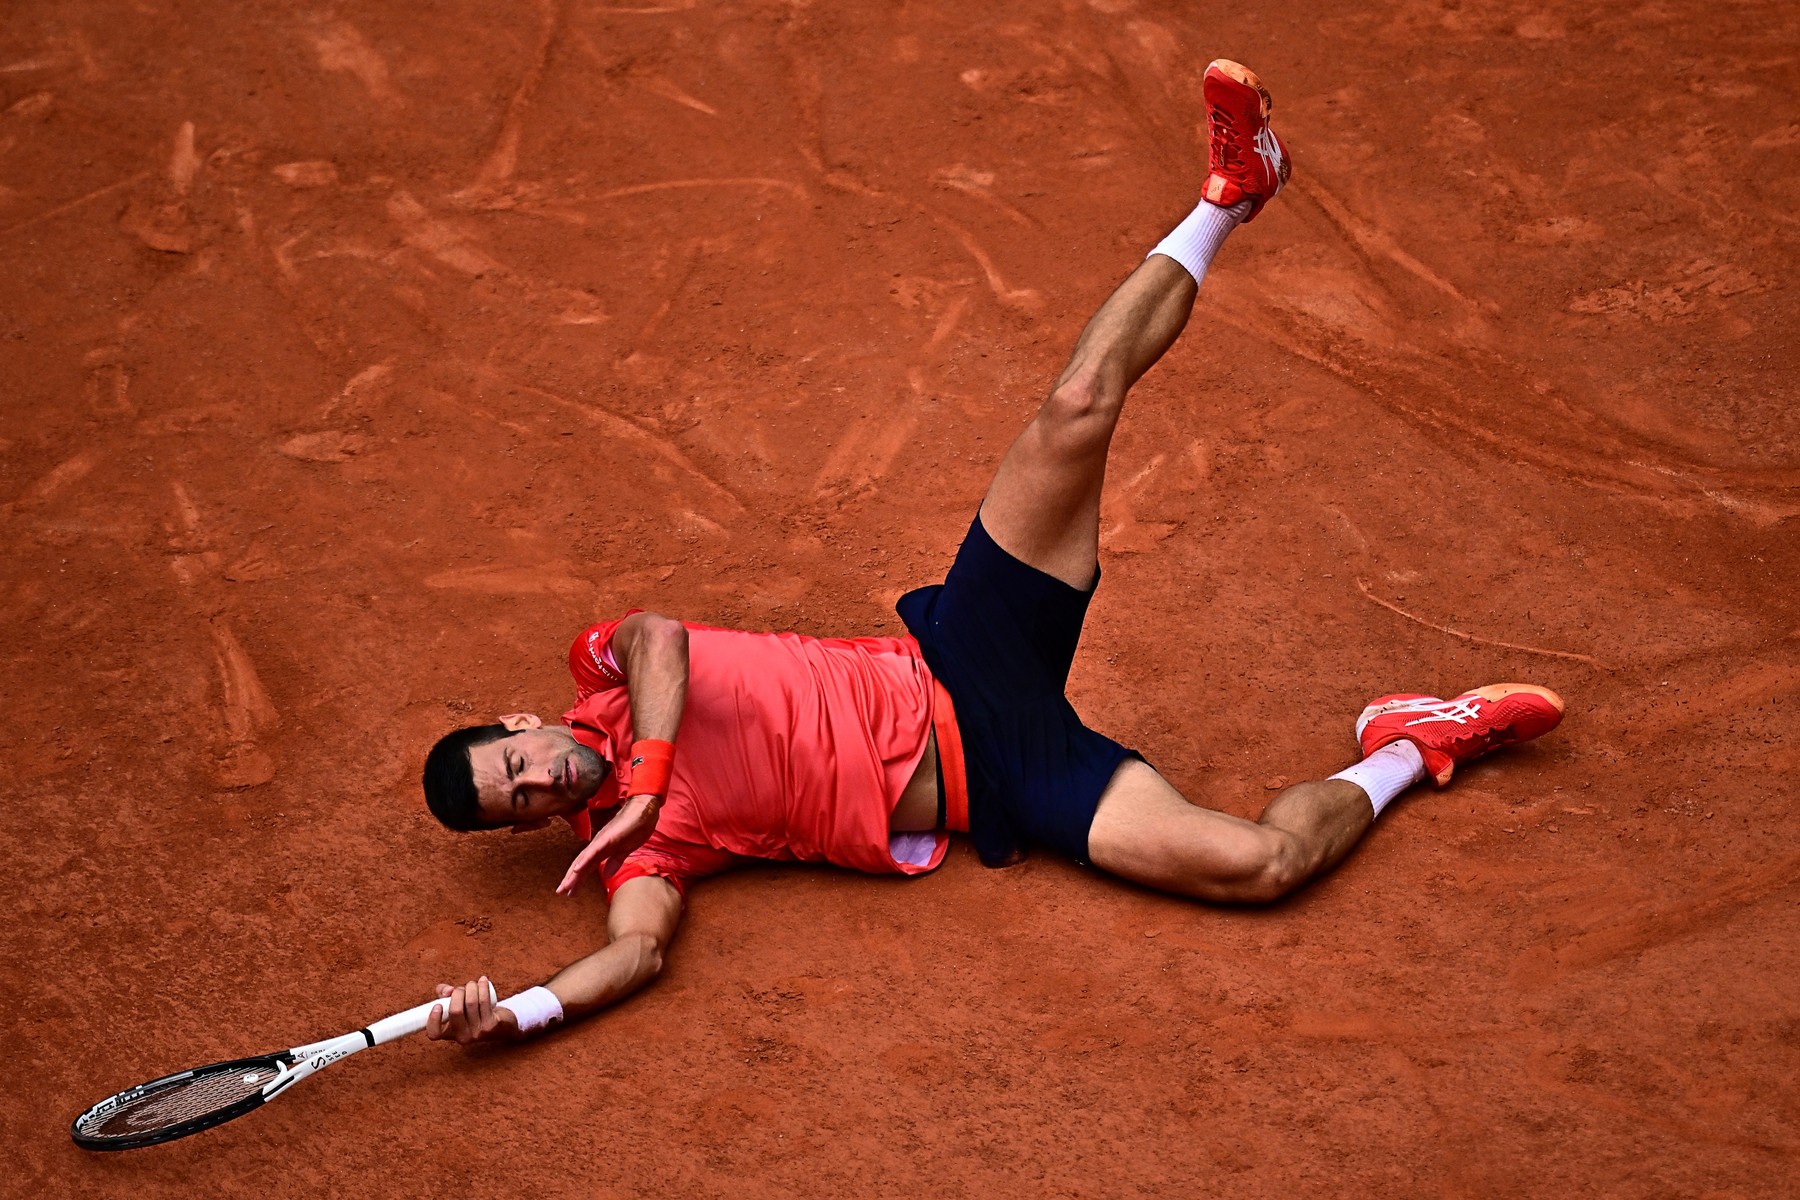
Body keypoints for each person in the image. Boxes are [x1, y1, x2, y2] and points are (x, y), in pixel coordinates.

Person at [416, 60, 1565, 1047]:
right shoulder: (638, 855)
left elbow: (662, 637)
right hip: (1005, 779)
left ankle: (1229, 194)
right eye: (522, 807)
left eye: (518, 764)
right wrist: (514, 1013)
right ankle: (1411, 743)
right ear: (531, 829)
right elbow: (635, 954)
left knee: (1076, 403)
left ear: (525, 725)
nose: (543, 783)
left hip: (963, 650)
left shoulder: (609, 676)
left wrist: (647, 774)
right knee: (1256, 868)